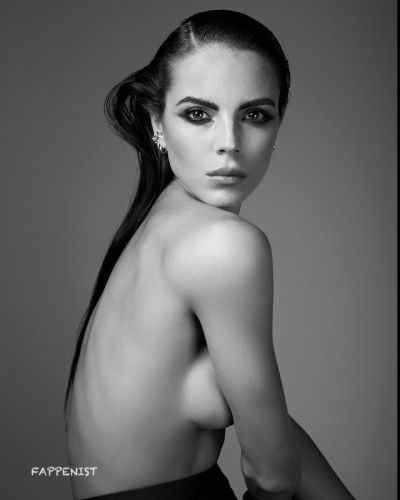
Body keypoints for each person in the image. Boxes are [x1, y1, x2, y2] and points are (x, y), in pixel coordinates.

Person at [64, 9, 356, 500]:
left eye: (255, 115)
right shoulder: (221, 244)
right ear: (157, 124)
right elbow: (274, 476)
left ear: (278, 126)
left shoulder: (158, 228)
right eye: (199, 114)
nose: (230, 144)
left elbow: (271, 434)